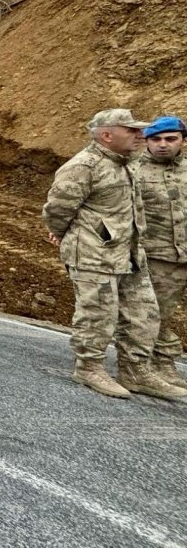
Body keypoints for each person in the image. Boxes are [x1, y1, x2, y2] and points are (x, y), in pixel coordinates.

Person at [43, 108, 187, 400]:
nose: (140, 135)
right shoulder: (84, 166)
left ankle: (135, 371)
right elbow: (57, 210)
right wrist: (75, 236)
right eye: (131, 130)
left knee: (144, 315)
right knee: (98, 313)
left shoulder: (127, 163)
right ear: (107, 135)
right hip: (94, 254)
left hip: (132, 254)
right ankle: (89, 367)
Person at [136, 115, 187, 389]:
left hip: (183, 258)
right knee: (152, 314)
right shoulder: (133, 171)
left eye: (170, 139)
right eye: (155, 140)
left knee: (167, 313)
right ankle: (153, 366)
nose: (163, 145)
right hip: (153, 257)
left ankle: (162, 363)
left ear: (182, 141)